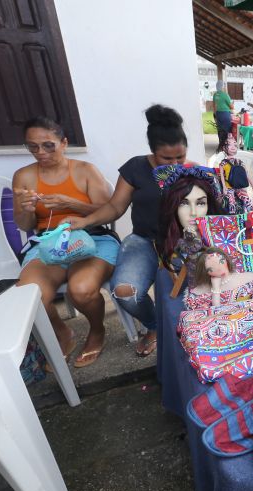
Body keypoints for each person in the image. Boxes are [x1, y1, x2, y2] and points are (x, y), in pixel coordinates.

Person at [67, 104, 189, 357]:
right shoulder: (135, 168)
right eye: (167, 159)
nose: (175, 164)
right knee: (125, 292)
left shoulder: (193, 171)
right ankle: (154, 326)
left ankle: (187, 330)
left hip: (183, 243)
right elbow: (114, 207)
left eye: (180, 157)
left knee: (189, 292)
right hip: (143, 241)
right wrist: (85, 221)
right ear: (152, 153)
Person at [13, 116, 118, 368]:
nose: (40, 152)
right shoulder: (24, 176)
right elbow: (25, 226)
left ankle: (96, 330)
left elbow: (110, 209)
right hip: (49, 243)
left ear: (64, 143)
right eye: (33, 147)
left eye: (48, 145)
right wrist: (27, 209)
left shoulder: (85, 170)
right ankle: (63, 334)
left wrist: (71, 204)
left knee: (81, 290)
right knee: (31, 297)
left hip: (92, 237)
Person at [183, 247, 253, 310]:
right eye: (211, 268)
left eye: (221, 261)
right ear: (205, 272)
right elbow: (215, 315)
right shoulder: (196, 297)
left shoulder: (252, 280)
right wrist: (216, 289)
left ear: (226, 259)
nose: (219, 268)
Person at [212, 80, 234, 146]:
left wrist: (215, 114)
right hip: (225, 114)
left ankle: (221, 144)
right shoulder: (225, 95)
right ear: (223, 87)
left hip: (218, 114)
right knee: (227, 130)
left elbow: (214, 105)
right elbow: (231, 107)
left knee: (220, 129)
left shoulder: (215, 94)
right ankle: (227, 145)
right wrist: (232, 104)